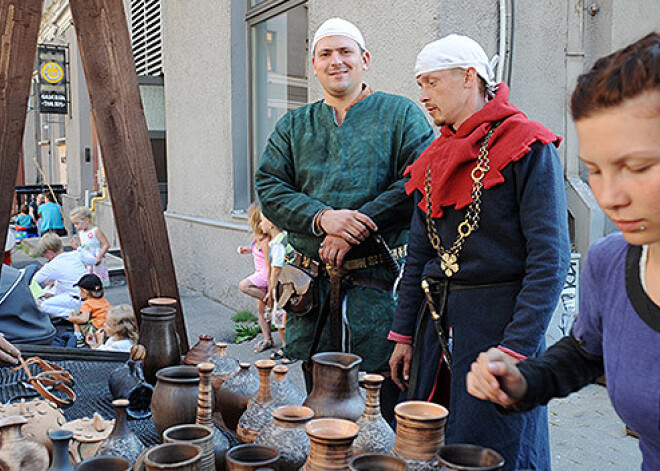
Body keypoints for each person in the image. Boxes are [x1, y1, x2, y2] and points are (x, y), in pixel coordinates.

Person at [466, 32, 660, 470]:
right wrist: (522, 380)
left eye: (637, 167)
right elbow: (586, 353)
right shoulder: (612, 263)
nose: (609, 197)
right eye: (594, 169)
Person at [387, 34, 570, 469]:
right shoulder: (430, 160)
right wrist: (403, 334)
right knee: (430, 444)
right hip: (437, 324)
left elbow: (550, 259)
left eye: (432, 82)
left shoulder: (527, 145)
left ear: (469, 77)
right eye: (420, 84)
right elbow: (418, 257)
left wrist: (516, 348)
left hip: (501, 328)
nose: (423, 96)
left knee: (499, 449)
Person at [255, 17, 435, 419]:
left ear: (364, 59)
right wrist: (322, 218)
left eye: (345, 52)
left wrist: (353, 227)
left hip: (379, 291)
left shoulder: (401, 114)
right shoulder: (293, 126)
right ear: (314, 65)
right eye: (325, 54)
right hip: (311, 290)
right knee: (319, 407)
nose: (336, 61)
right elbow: (269, 188)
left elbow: (418, 180)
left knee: (382, 406)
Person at [33, 233, 97, 319]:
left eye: (44, 254)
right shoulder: (75, 254)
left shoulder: (51, 265)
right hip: (88, 295)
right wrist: (78, 248)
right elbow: (93, 260)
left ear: (49, 252)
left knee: (43, 305)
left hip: (74, 299)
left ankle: (72, 314)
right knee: (53, 287)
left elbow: (34, 280)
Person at [237, 202, 271, 351]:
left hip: (265, 277)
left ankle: (271, 301)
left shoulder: (265, 241)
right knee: (261, 311)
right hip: (261, 276)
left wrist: (271, 288)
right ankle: (267, 339)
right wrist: (248, 249)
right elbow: (257, 251)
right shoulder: (258, 239)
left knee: (244, 285)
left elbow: (270, 264)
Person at [260, 214, 294, 361]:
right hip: (291, 284)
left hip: (284, 286)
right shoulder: (283, 238)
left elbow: (277, 268)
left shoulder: (278, 244)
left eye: (262, 221)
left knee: (281, 318)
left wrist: (272, 290)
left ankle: (288, 349)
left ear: (271, 224)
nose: (260, 224)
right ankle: (288, 347)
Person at [69, 206, 111, 287]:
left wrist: (100, 255)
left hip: (96, 257)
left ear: (86, 220)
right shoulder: (80, 233)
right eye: (74, 224)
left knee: (97, 278)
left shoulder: (96, 231)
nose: (75, 226)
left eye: (77, 223)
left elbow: (106, 244)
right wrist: (77, 247)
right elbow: (83, 247)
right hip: (86, 258)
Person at [67, 273, 110, 348]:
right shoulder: (104, 301)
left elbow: (84, 319)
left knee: (77, 314)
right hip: (107, 330)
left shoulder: (87, 304)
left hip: (95, 331)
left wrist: (71, 318)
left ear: (85, 291)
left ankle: (78, 337)